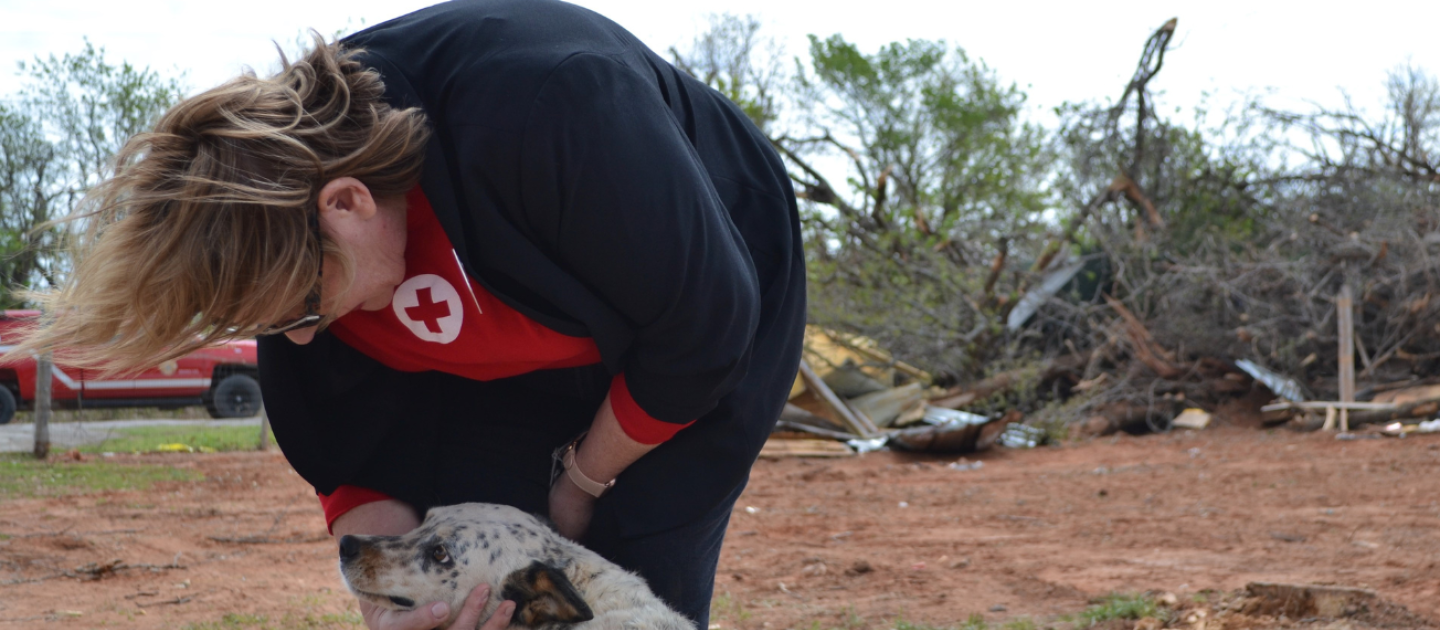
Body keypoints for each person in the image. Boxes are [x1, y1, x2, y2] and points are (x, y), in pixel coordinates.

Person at [10, 1, 805, 629]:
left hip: (699, 324)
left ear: (347, 203)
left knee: (621, 578)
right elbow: (353, 448)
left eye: (305, 308)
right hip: (488, 367)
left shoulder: (552, 105)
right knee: (484, 600)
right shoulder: (292, 254)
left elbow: (702, 333)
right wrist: (395, 603)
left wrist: (580, 481)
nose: (301, 339)